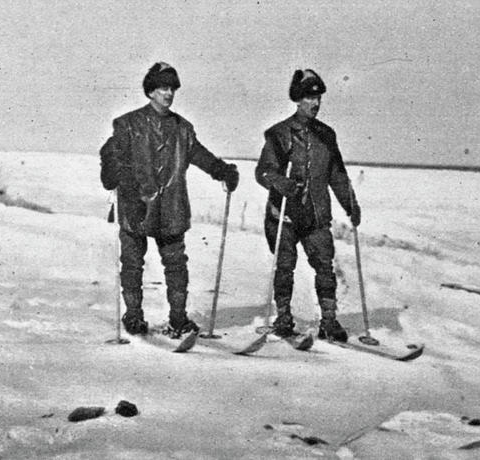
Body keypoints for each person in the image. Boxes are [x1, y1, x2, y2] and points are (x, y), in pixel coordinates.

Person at [100, 62, 240, 338]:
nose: (168, 94)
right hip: (135, 207)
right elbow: (110, 154)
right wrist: (116, 174)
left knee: (176, 265)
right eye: (162, 88)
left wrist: (221, 170)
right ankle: (133, 316)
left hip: (171, 208)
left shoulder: (183, 129)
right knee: (132, 264)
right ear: (150, 91)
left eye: (172, 88)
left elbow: (198, 154)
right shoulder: (128, 124)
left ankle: (179, 318)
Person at [255, 69, 361, 342]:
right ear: (297, 100)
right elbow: (263, 171)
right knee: (285, 267)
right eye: (308, 98)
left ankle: (329, 320)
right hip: (284, 217)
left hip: (315, 216)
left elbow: (337, 174)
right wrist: (281, 183)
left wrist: (350, 204)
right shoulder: (278, 134)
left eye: (318, 98)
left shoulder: (327, 135)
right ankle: (283, 318)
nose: (314, 104)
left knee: (325, 266)